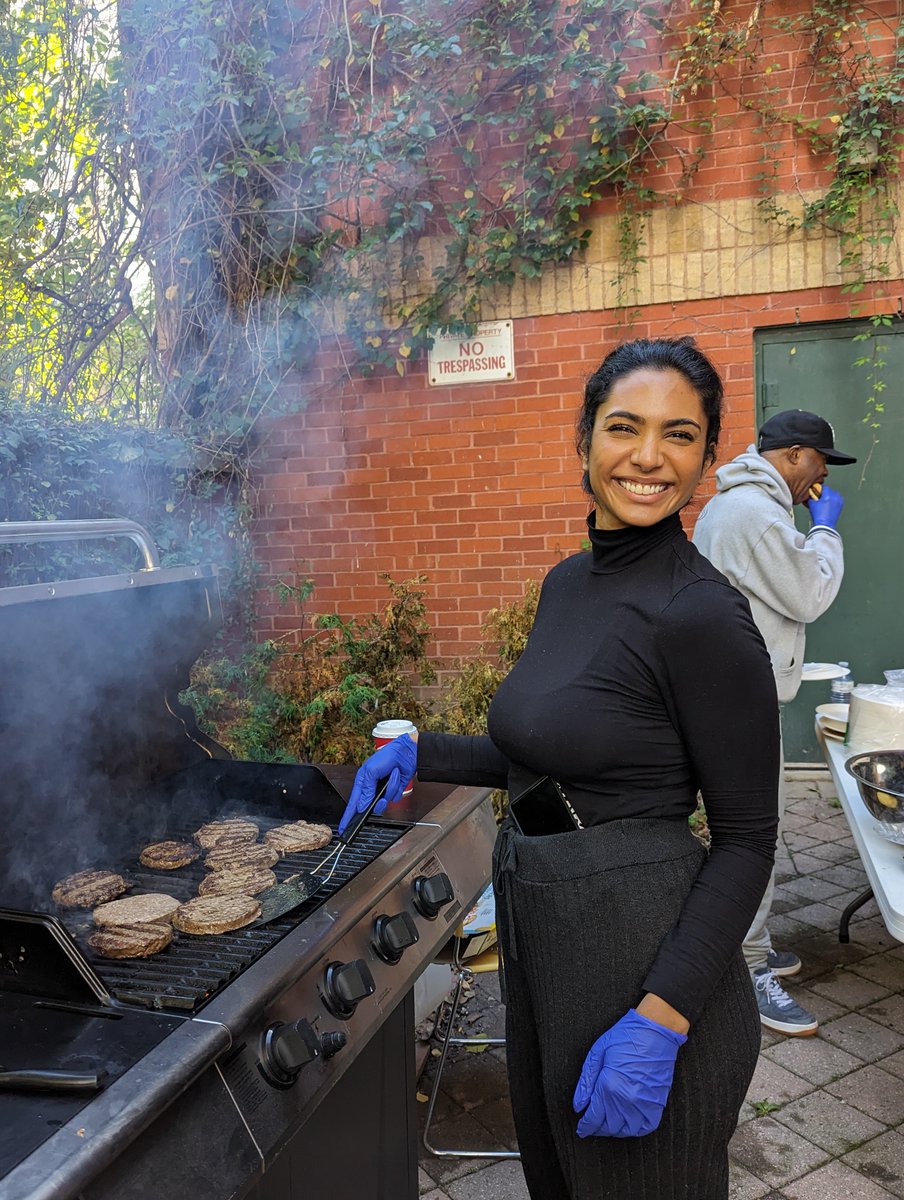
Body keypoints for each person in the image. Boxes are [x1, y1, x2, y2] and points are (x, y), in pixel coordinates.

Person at [340, 337, 780, 1200]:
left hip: (642, 946)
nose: (649, 457)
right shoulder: (568, 584)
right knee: (559, 1179)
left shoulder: (701, 614)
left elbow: (748, 841)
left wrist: (663, 1019)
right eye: (625, 427)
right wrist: (421, 751)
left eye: (679, 435)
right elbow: (541, 755)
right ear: (584, 438)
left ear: (706, 457)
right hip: (544, 926)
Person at [693, 408, 856, 1038]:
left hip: (733, 692)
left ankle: (745, 946)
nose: (821, 477)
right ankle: (748, 967)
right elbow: (810, 593)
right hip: (736, 700)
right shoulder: (756, 515)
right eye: (819, 462)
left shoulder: (745, 506)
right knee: (753, 836)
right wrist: (827, 532)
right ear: (793, 455)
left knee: (750, 830)